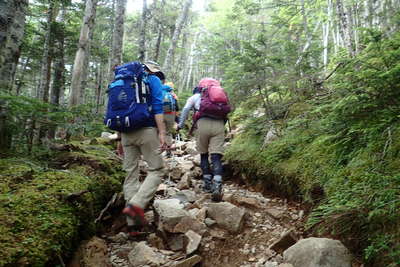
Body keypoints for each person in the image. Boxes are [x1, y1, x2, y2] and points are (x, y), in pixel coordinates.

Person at [120, 60, 167, 236]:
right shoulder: (152, 80)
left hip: (125, 132)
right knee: (157, 170)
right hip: (146, 130)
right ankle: (136, 207)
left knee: (130, 173)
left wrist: (119, 138)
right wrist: (161, 132)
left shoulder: (123, 80)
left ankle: (133, 224)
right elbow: (157, 106)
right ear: (152, 70)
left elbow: (119, 109)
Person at [177, 79, 227, 201]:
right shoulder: (221, 96)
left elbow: (185, 109)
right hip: (219, 125)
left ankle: (207, 183)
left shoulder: (195, 96)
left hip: (202, 124)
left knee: (204, 154)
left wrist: (180, 125)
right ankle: (217, 185)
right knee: (216, 156)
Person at [162, 82, 179, 156]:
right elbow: (177, 108)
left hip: (160, 114)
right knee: (168, 132)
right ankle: (168, 151)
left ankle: (159, 150)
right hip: (170, 115)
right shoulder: (173, 96)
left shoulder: (159, 92)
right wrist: (177, 120)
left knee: (159, 132)